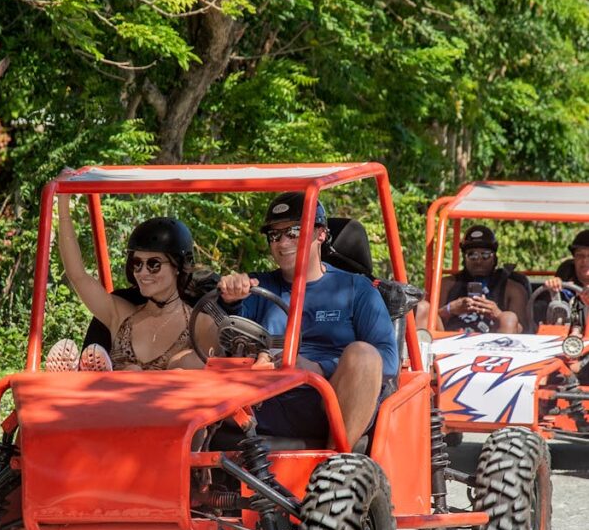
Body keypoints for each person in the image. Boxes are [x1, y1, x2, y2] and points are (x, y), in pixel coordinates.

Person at [217, 192, 399, 450]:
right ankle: (184, 471)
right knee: (185, 362)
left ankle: (333, 467)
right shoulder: (258, 288)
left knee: (364, 355)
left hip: (331, 404)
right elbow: (220, 341)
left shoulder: (356, 288)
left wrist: (319, 368)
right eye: (275, 235)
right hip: (265, 401)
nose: (282, 243)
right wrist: (230, 298)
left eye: (293, 232)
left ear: (321, 233)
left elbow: (389, 360)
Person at [46, 195, 212, 371]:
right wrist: (63, 205)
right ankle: (84, 378)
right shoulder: (121, 314)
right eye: (137, 263)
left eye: (153, 264)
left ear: (177, 266)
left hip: (174, 396)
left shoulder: (200, 323)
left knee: (179, 366)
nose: (142, 272)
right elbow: (77, 275)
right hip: (112, 398)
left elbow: (220, 365)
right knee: (131, 371)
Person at [419, 224, 528, 334]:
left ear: (494, 258)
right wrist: (450, 309)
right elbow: (430, 318)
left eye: (485, 255)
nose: (478, 261)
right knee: (423, 307)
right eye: (472, 255)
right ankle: (419, 349)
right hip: (451, 339)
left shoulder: (512, 289)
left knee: (508, 318)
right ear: (464, 258)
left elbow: (524, 330)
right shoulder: (447, 284)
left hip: (493, 343)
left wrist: (497, 314)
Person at [544, 228, 589, 316]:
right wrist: (553, 284)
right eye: (580, 255)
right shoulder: (566, 273)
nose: (585, 261)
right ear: (574, 259)